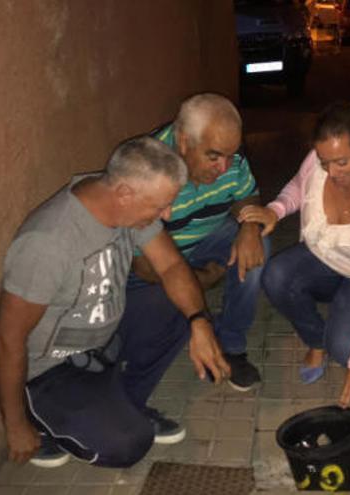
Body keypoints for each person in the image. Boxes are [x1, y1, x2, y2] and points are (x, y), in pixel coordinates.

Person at [0, 136, 230, 469]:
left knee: (180, 306)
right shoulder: (47, 244)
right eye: (160, 206)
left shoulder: (122, 204)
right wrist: (14, 425)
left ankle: (123, 404)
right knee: (128, 444)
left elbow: (172, 265)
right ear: (124, 194)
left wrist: (199, 322)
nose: (167, 213)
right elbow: (6, 340)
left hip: (101, 342)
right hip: (51, 371)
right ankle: (45, 424)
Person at [238, 98, 350, 408]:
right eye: (325, 162)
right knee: (276, 275)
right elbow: (298, 187)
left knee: (347, 349)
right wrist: (275, 210)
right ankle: (315, 340)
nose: (331, 172)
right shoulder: (318, 161)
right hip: (325, 259)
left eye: (342, 162)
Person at [128, 93, 268, 391]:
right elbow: (143, 267)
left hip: (207, 237)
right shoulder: (145, 169)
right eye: (214, 156)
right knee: (161, 311)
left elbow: (247, 193)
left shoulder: (230, 159)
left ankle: (231, 344)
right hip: (157, 260)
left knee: (257, 248)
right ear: (182, 141)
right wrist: (204, 280)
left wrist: (249, 225)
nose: (224, 167)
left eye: (231, 155)